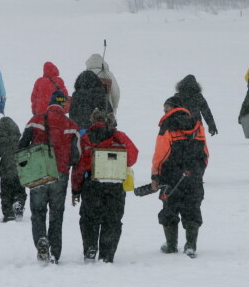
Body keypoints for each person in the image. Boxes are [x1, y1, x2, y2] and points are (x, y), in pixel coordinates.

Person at [19, 90, 80, 265]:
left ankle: (41, 241)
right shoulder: (71, 125)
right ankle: (55, 252)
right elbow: (76, 156)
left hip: (38, 171)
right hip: (60, 174)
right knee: (56, 214)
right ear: (63, 105)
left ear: (50, 103)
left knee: (38, 213)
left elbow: (22, 145)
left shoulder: (35, 120)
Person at [71, 109, 138, 263]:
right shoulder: (119, 137)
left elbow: (79, 167)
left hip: (92, 185)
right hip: (115, 186)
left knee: (89, 219)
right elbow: (132, 157)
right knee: (113, 220)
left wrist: (76, 190)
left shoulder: (85, 138)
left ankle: (90, 248)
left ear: (93, 121)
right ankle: (107, 254)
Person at [151, 95, 209, 258]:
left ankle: (171, 244)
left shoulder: (167, 125)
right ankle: (190, 245)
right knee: (192, 208)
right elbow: (205, 153)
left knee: (169, 208)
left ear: (172, 108)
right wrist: (197, 171)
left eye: (165, 109)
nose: (163, 112)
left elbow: (161, 153)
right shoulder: (198, 125)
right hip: (194, 175)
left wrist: (155, 174)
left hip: (171, 175)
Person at [0, 116, 26, 222]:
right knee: (20, 191)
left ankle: (8, 213)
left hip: (5, 173)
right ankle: (19, 203)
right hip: (20, 172)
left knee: (6, 195)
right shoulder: (21, 140)